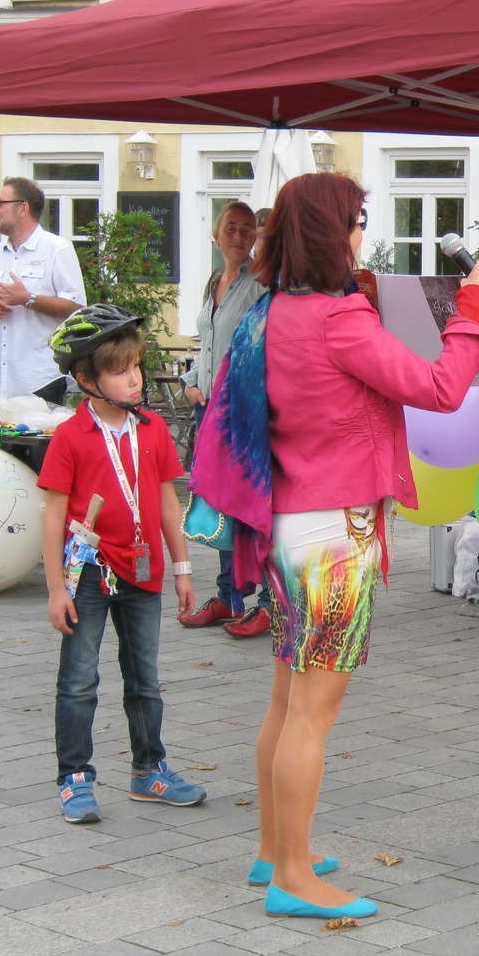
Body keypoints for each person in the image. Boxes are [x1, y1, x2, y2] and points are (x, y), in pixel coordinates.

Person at [188, 172, 479, 920]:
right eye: (359, 220)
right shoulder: (336, 317)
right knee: (312, 712)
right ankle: (294, 877)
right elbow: (438, 388)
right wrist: (476, 302)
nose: (365, 232)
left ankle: (275, 850)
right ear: (337, 231)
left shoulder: (270, 310)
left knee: (286, 698)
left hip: (290, 518)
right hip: (333, 530)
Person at [38, 304, 206, 825]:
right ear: (87, 379)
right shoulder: (70, 436)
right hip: (87, 574)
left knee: (145, 679)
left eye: (136, 365)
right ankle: (74, 777)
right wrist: (54, 590)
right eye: (121, 370)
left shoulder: (153, 429)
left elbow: (169, 502)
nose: (135, 378)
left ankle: (148, 769)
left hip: (142, 569)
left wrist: (182, 568)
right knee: (79, 680)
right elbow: (53, 516)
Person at [178, 201, 274, 638]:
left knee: (250, 505)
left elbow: (262, 347)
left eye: (246, 229)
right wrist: (191, 381)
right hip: (208, 409)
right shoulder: (215, 282)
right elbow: (207, 340)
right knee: (217, 503)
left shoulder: (261, 284)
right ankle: (226, 595)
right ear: (216, 235)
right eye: (230, 228)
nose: (238, 236)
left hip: (242, 412)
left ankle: (268, 602)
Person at [0, 177, 87, 410]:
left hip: (39, 376)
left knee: (38, 447)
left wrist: (28, 299)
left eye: (0, 203)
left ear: (22, 208)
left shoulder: (57, 249)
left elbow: (76, 308)